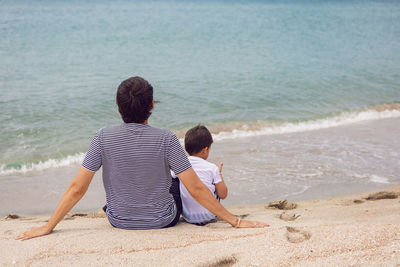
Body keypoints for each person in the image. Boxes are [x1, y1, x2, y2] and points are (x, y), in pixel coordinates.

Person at [16, 76, 268, 241]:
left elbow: (77, 188)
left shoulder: (101, 137)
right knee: (177, 179)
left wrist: (48, 226)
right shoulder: (167, 139)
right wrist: (235, 222)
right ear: (151, 105)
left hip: (118, 219)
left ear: (118, 105)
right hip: (163, 220)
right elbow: (196, 188)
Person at [178, 124, 228, 225]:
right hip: (209, 215)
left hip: (188, 217)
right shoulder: (212, 168)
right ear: (205, 150)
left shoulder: (180, 165)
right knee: (215, 185)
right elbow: (223, 195)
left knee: (177, 180)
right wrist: (219, 174)